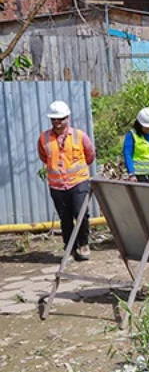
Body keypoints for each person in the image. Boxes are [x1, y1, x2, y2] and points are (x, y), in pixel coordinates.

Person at [38, 101, 96, 262]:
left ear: (67, 118)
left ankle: (83, 244)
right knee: (65, 218)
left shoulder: (80, 136)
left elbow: (90, 155)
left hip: (79, 182)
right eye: (54, 119)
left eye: (60, 119)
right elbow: (43, 156)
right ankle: (69, 248)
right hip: (57, 185)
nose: (57, 122)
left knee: (81, 213)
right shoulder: (44, 138)